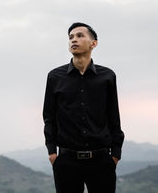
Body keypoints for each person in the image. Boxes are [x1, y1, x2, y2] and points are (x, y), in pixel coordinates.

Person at [43, 22, 125, 193]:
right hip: (66, 161)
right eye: (71, 37)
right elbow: (49, 116)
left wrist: (115, 155)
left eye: (80, 36)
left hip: (101, 160)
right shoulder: (55, 77)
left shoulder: (107, 77)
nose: (74, 40)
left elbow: (113, 116)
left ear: (93, 43)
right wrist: (52, 153)